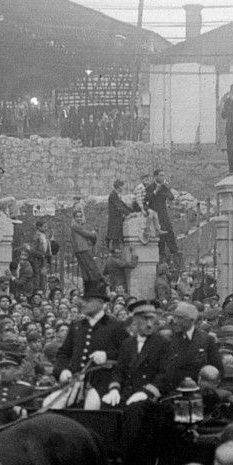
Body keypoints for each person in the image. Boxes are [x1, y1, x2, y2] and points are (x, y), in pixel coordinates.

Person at [53, 279, 126, 409]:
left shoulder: (116, 326)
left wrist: (107, 355)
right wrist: (62, 370)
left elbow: (127, 355)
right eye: (83, 301)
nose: (84, 304)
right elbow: (63, 353)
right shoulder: (76, 326)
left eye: (88, 301)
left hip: (103, 382)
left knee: (91, 407)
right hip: (74, 381)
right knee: (50, 404)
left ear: (101, 303)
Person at [144, 169, 178, 266]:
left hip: (164, 213)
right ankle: (161, 259)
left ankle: (175, 255)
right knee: (160, 236)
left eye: (164, 175)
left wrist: (166, 191)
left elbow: (171, 197)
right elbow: (147, 199)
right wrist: (156, 191)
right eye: (161, 175)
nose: (163, 178)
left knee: (170, 231)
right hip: (155, 214)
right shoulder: (150, 187)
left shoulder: (164, 187)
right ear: (155, 177)